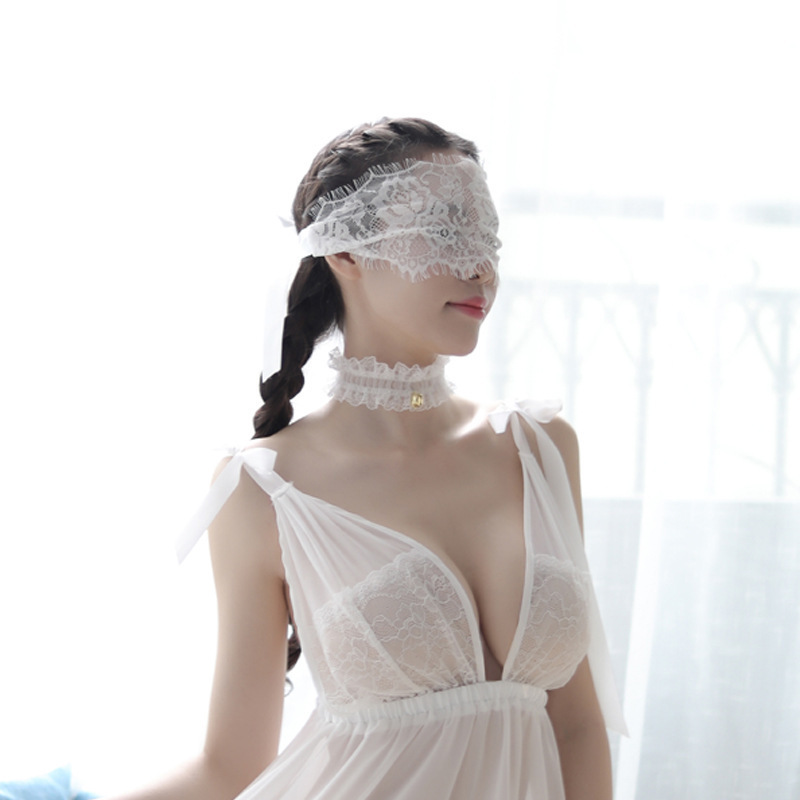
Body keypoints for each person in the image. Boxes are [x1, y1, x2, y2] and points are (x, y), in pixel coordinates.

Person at [111, 117, 625, 800]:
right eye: (445, 230)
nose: (480, 266)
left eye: (488, 236)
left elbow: (579, 727)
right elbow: (229, 765)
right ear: (345, 253)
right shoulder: (263, 488)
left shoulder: (541, 446)